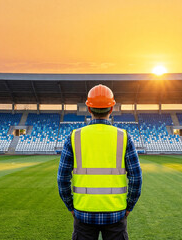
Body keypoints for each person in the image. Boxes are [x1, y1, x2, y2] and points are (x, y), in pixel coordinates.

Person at [57, 84, 142, 240]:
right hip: (116, 213)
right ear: (111, 109)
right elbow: (136, 178)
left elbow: (62, 179)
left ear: (89, 109)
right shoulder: (123, 137)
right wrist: (129, 207)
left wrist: (71, 206)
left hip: (83, 213)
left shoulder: (74, 137)